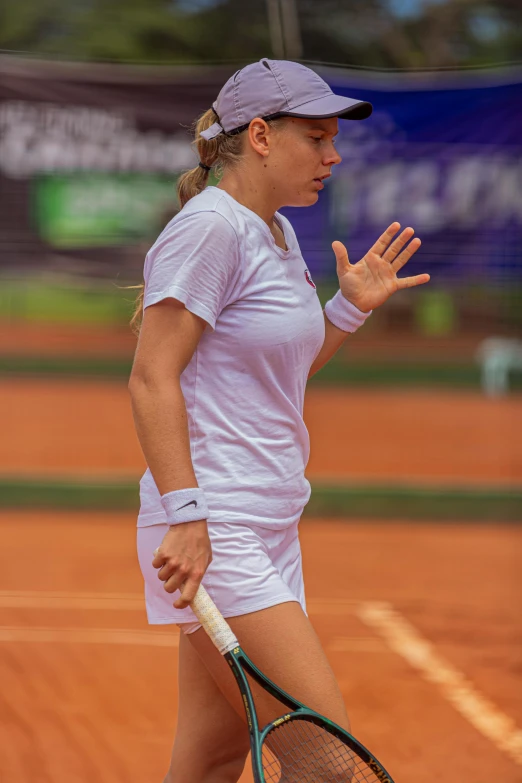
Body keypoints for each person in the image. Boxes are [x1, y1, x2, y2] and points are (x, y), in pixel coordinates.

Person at [128, 57, 428, 783]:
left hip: (267, 519)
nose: (333, 156)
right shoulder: (212, 231)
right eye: (318, 138)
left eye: (334, 140)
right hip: (215, 525)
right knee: (326, 764)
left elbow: (280, 375)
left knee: (211, 757)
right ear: (260, 135)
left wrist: (347, 309)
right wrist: (188, 513)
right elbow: (150, 376)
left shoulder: (276, 234)